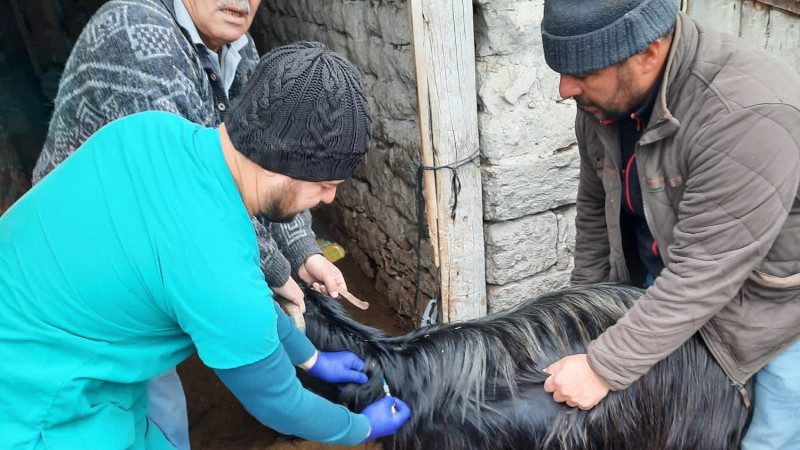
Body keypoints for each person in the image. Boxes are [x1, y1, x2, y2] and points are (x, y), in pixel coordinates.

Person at [0, 42, 411, 449]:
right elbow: (279, 402)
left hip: (59, 341)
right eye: (324, 185)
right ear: (282, 165)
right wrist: (361, 427)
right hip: (38, 411)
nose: (329, 200)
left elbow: (225, 281)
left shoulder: (154, 130)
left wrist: (311, 358)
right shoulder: (219, 269)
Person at [536, 0, 800, 448]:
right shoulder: (605, 104)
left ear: (649, 53)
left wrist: (604, 366)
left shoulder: (744, 112)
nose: (564, 89)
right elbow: (596, 218)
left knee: (766, 438)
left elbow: (704, 271)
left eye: (583, 74)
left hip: (772, 313)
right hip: (673, 284)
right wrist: (577, 321)